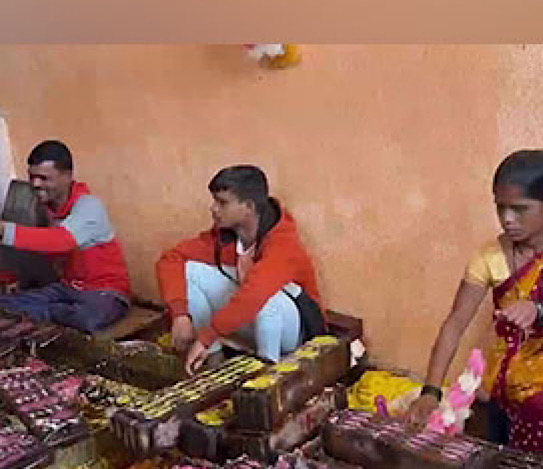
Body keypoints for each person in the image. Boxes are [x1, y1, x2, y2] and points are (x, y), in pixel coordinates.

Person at [406, 150, 543, 469]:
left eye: (519, 209)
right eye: (501, 208)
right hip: (517, 360)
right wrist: (430, 391)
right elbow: (455, 323)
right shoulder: (490, 257)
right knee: (512, 395)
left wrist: (539, 312)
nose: (508, 219)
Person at [156, 165, 325, 374]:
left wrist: (207, 337)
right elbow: (170, 259)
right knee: (188, 271)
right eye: (215, 201)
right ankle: (213, 363)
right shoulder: (225, 235)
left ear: (249, 207)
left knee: (267, 300)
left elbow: (255, 295)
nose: (213, 208)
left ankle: (268, 376)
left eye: (222, 203)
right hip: (247, 320)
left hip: (289, 331)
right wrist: (180, 315)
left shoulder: (283, 243)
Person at [0, 140, 131, 331]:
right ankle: (48, 312)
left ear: (67, 176)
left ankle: (45, 312)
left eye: (44, 178)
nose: (36, 184)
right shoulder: (43, 207)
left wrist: (4, 230)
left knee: (85, 319)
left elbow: (61, 241)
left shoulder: (89, 207)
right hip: (65, 289)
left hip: (106, 293)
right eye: (32, 177)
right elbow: (31, 251)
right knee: (5, 304)